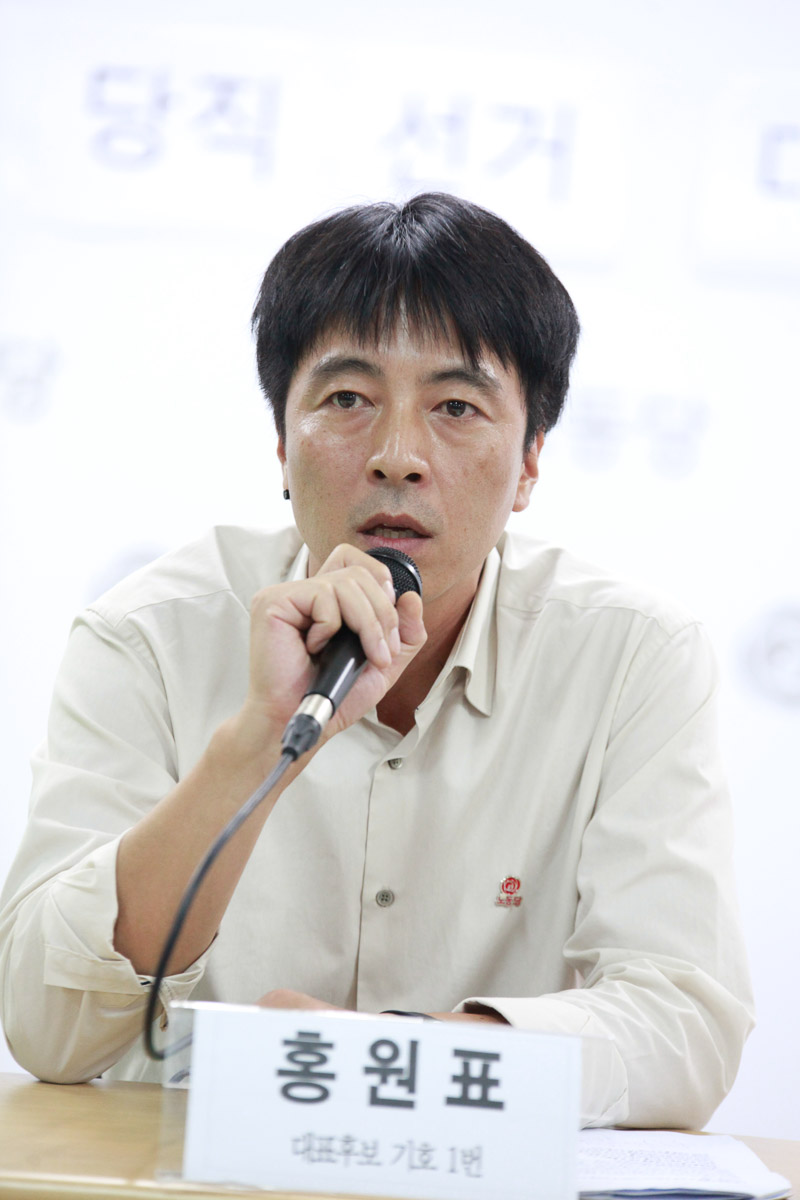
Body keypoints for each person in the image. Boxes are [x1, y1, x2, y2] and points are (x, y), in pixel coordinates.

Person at [0, 193, 753, 1128]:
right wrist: (259, 739)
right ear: (282, 442)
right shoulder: (148, 635)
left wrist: (390, 1056)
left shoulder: (632, 659)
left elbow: (683, 1025)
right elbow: (48, 1028)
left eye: (457, 407)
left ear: (529, 462)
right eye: (348, 400)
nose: (399, 457)